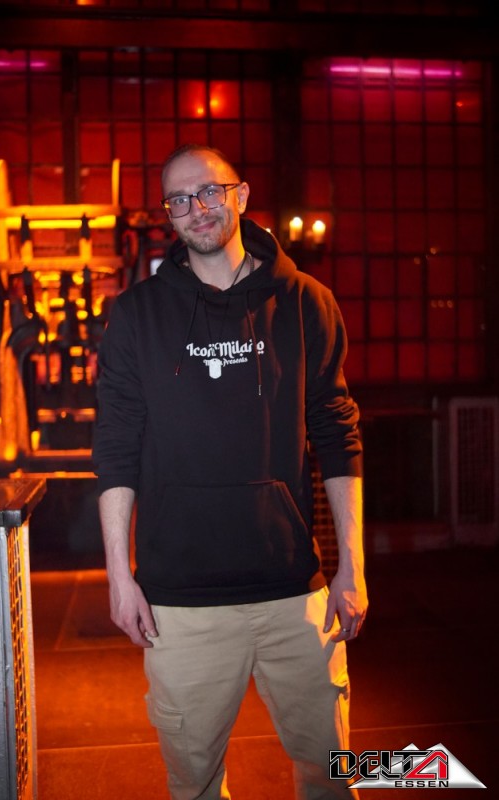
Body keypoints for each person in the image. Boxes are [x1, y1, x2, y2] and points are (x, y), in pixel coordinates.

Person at [93, 143, 368, 800]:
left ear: (240, 195)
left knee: (335, 775)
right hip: (180, 604)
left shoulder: (306, 302)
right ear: (169, 215)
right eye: (179, 200)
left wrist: (352, 568)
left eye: (209, 191)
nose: (197, 208)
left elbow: (338, 435)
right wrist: (119, 577)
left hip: (293, 594)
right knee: (193, 785)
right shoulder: (136, 315)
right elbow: (115, 448)